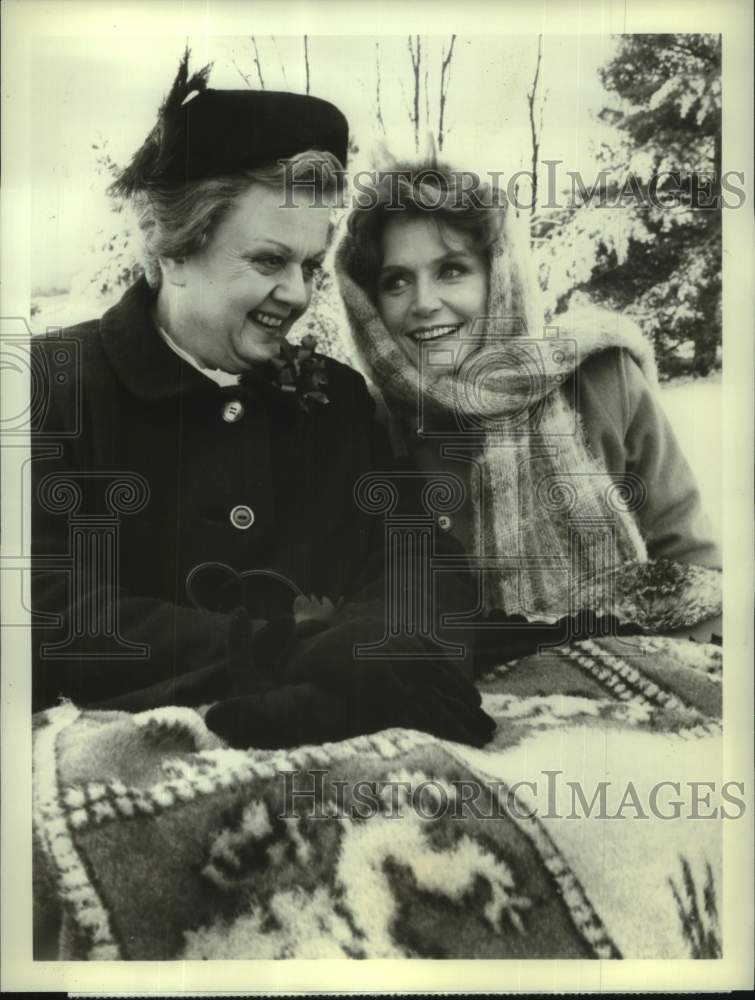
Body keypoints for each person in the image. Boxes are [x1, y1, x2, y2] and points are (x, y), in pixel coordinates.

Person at [31, 56, 495, 748]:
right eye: (269, 261)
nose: (301, 295)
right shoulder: (51, 386)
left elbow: (418, 560)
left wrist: (372, 648)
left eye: (310, 266)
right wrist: (265, 649)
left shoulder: (335, 402)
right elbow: (38, 605)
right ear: (173, 250)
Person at [335, 164, 721, 655]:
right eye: (396, 282)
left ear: (498, 279)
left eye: (451, 270)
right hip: (461, 703)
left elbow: (697, 574)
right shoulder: (369, 425)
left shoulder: (599, 379)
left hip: (637, 685)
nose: (424, 302)